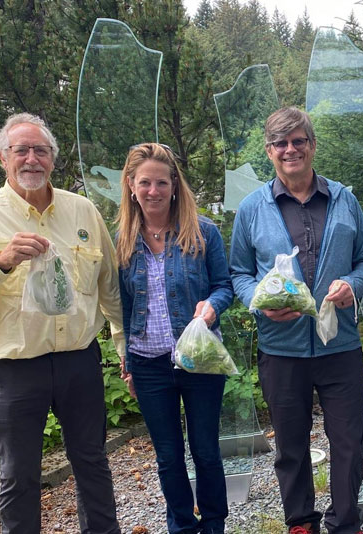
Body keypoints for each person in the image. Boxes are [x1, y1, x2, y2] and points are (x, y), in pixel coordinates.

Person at [0, 113, 124, 534]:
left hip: (79, 361)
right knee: (19, 474)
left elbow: (109, 285)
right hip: (14, 369)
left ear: (53, 159)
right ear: (4, 157)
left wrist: (124, 347)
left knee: (91, 459)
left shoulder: (82, 210)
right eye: (21, 150)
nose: (31, 159)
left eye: (41, 151)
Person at [230, 107, 363, 534]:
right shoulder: (253, 208)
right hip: (281, 349)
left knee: (350, 442)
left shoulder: (343, 199)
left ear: (312, 146)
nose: (290, 149)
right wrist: (259, 302)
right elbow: (239, 273)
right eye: (280, 143)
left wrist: (354, 284)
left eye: (298, 140)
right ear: (269, 151)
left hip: (340, 346)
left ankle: (345, 522)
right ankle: (301, 523)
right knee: (291, 446)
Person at [116, 143, 233, 534]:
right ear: (131, 185)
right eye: (145, 182)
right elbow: (124, 308)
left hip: (199, 359)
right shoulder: (121, 240)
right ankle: (182, 525)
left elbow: (224, 285)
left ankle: (214, 523)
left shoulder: (203, 233)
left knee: (205, 450)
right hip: (148, 365)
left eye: (161, 182)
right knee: (168, 456)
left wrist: (213, 306)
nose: (153, 191)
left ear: (174, 185)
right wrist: (129, 366)